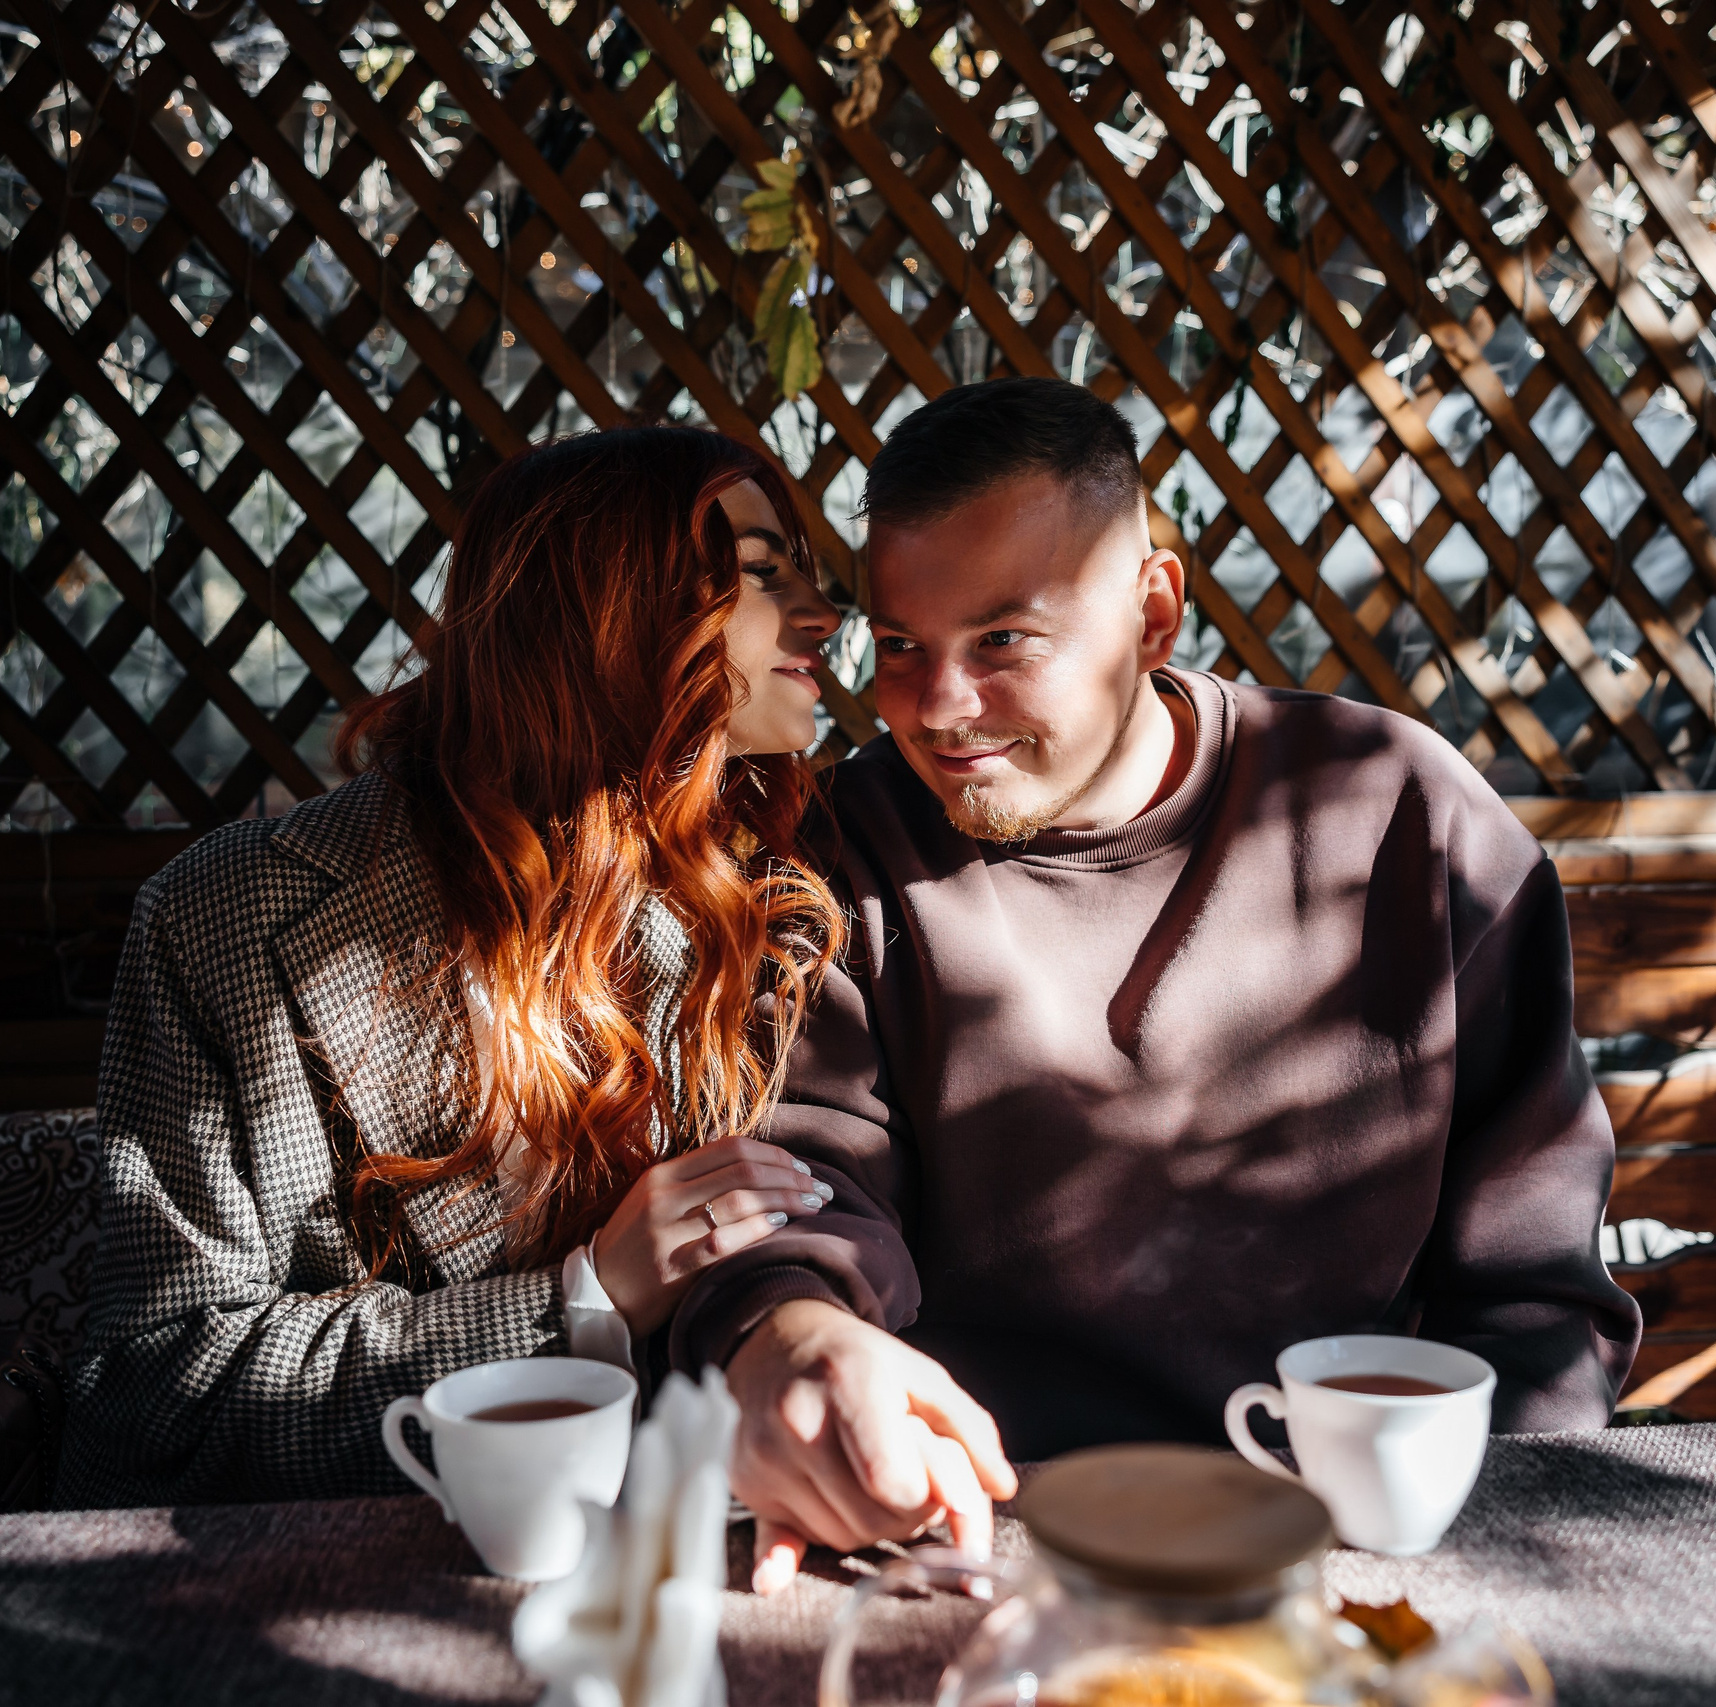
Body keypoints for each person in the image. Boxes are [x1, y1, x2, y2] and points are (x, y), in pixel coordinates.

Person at [665, 378, 1643, 1592]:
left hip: (1353, 1541)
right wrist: (792, 1334)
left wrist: (1453, 1544)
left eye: (1003, 641)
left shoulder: (1400, 811)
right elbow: (801, 1186)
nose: (938, 709)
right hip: (986, 1537)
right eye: (902, 646)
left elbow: (1533, 1290)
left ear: (1155, 614)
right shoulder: (842, 850)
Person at [56, 427, 848, 1507]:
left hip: (728, 1530)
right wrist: (580, 1301)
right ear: (602, 609)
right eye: (761, 573)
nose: (824, 614)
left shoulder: (794, 894)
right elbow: (153, 1396)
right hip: (377, 1557)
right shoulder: (223, 916)